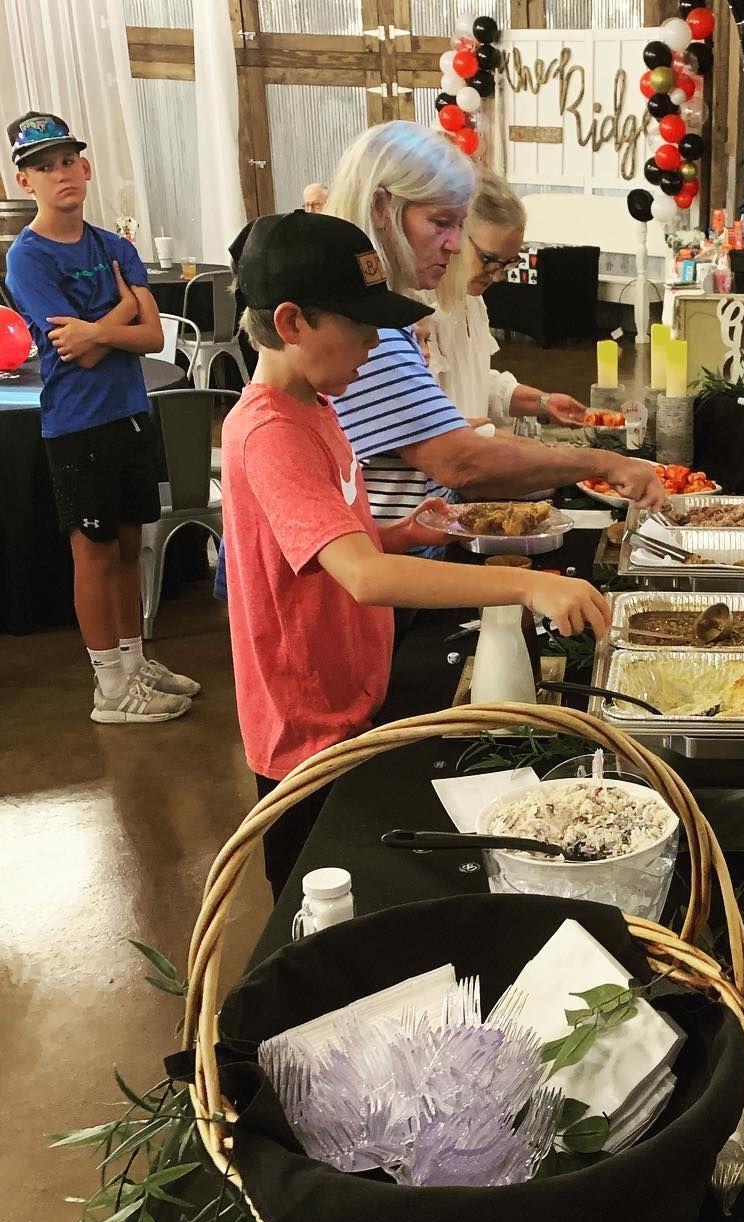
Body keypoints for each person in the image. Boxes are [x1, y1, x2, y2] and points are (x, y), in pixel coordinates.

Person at [222, 210, 610, 899]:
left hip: (355, 695)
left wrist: (399, 533)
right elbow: (364, 579)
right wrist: (526, 589)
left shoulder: (317, 401)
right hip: (306, 729)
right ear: (290, 323)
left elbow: (330, 541)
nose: (375, 344)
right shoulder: (269, 432)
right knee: (318, 902)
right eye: (361, 325)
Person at [322, 121, 665, 523]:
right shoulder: (366, 329)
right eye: (441, 223)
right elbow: (460, 464)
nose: (452, 243)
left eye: (458, 226)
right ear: (381, 208)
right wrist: (602, 463)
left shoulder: (387, 318)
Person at [5, 110, 200, 723]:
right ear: (22, 181)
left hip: (130, 414)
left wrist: (101, 328)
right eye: (43, 166)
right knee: (90, 549)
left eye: (66, 161)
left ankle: (133, 662)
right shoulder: (28, 259)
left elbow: (151, 338)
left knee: (127, 543)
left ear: (85, 168)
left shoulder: (115, 245)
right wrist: (118, 317)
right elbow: (71, 348)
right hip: (77, 423)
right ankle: (109, 689)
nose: (59, 173)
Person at [425, 167, 587, 429]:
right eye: (489, 260)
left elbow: (475, 384)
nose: (497, 276)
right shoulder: (420, 308)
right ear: (455, 233)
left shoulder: (470, 300)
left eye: (508, 263)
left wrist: (543, 402)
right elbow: (434, 424)